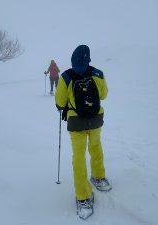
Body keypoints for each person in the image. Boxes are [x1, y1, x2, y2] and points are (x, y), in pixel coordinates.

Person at [55, 45, 111, 220]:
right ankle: (99, 177)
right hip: (95, 120)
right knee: (95, 147)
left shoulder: (65, 77)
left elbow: (59, 101)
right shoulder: (98, 74)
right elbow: (104, 95)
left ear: (72, 61)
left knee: (78, 157)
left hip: (76, 123)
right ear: (88, 60)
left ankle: (83, 197)